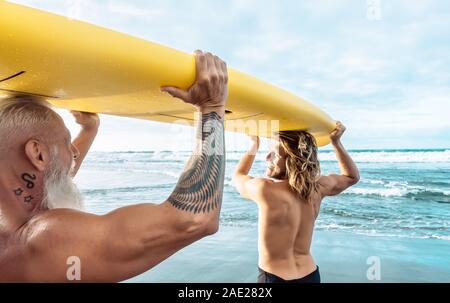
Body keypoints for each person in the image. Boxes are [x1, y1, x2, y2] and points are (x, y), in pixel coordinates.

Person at [0, 50, 228, 282]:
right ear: (37, 153)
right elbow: (194, 220)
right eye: (67, 143)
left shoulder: (10, 213)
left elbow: (50, 174)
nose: (74, 151)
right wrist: (211, 107)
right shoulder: (47, 239)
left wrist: (89, 130)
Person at [232, 123, 359, 283]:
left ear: (291, 161)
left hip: (276, 278)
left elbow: (238, 176)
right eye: (268, 151)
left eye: (275, 154)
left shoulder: (264, 189)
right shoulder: (318, 187)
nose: (267, 157)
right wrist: (336, 142)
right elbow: (351, 177)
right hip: (310, 275)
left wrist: (253, 145)